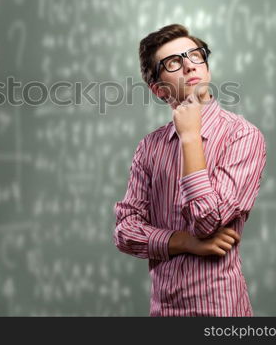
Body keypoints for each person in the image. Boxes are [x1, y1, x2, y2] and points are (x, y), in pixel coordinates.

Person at [113, 23, 267, 316]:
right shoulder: (149, 147)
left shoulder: (243, 136)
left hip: (219, 311)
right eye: (173, 62)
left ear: (206, 66)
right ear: (158, 89)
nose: (188, 65)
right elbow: (125, 232)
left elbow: (207, 222)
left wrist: (190, 137)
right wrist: (183, 242)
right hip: (163, 312)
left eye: (195, 55)